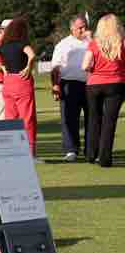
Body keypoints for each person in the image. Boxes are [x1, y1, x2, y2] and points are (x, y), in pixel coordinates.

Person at [0, 16, 38, 155]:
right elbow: (32, 55)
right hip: (22, 81)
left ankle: (13, 151)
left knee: (11, 118)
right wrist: (28, 67)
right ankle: (30, 153)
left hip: (8, 83)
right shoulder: (22, 44)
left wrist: (0, 66)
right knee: (27, 118)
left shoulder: (3, 47)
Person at [81, 13, 125, 167]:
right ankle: (105, 158)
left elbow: (85, 65)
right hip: (116, 83)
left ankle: (91, 154)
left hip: (94, 84)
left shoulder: (94, 43)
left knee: (94, 118)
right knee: (109, 122)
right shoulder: (122, 42)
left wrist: (95, 69)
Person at [51, 15, 91, 161]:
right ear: (72, 28)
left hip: (90, 84)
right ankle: (71, 149)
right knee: (69, 119)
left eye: (84, 26)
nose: (83, 30)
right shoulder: (63, 44)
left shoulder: (91, 42)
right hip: (69, 84)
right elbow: (55, 67)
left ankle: (91, 149)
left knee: (92, 118)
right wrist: (55, 85)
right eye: (80, 27)